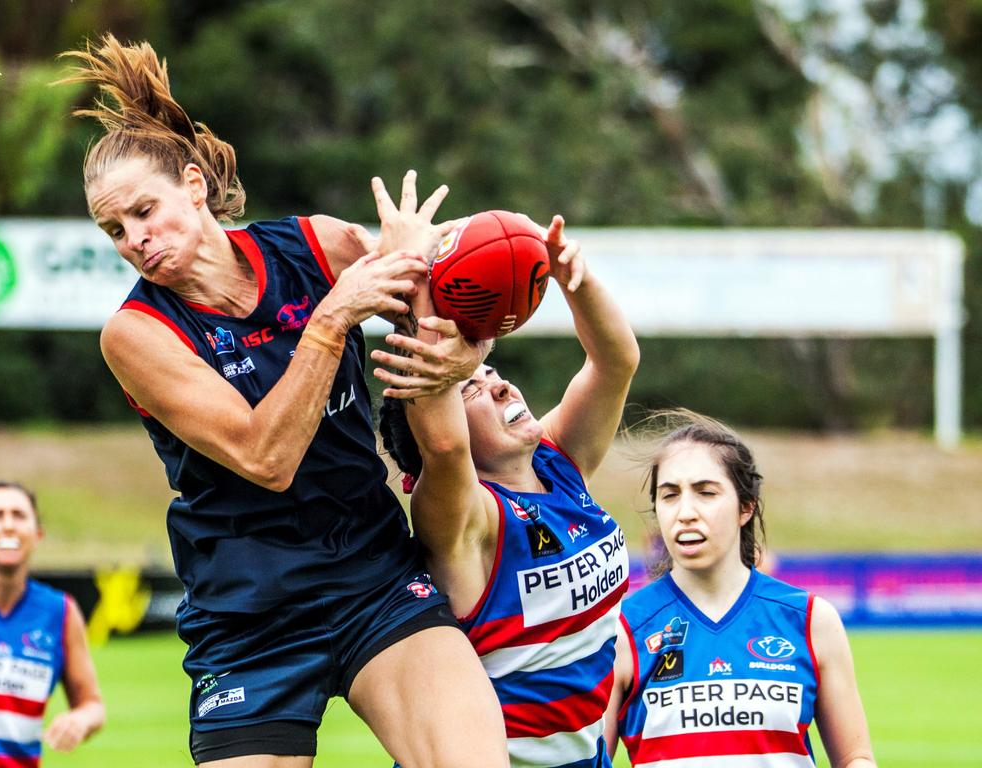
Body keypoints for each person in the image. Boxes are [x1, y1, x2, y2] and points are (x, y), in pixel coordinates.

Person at [60, 35, 507, 768]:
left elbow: (440, 343)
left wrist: (465, 341)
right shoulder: (135, 335)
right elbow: (263, 456)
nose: (135, 239)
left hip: (373, 576)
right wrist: (333, 318)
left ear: (196, 187)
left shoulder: (318, 246)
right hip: (250, 617)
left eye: (144, 211)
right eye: (115, 229)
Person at [375, 215, 640, 767]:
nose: (495, 382)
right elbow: (445, 450)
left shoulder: (560, 463)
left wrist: (573, 280)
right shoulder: (468, 522)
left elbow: (616, 362)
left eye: (490, 370)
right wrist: (426, 294)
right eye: (470, 385)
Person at [604, 411, 876, 768]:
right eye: (669, 495)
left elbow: (855, 758)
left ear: (745, 507)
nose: (685, 512)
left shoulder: (811, 621)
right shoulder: (621, 630)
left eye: (705, 492)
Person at [0, 482, 105, 767]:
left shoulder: (60, 611)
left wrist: (80, 720)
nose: (9, 526)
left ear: (37, 534)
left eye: (19, 515)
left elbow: (93, 706)